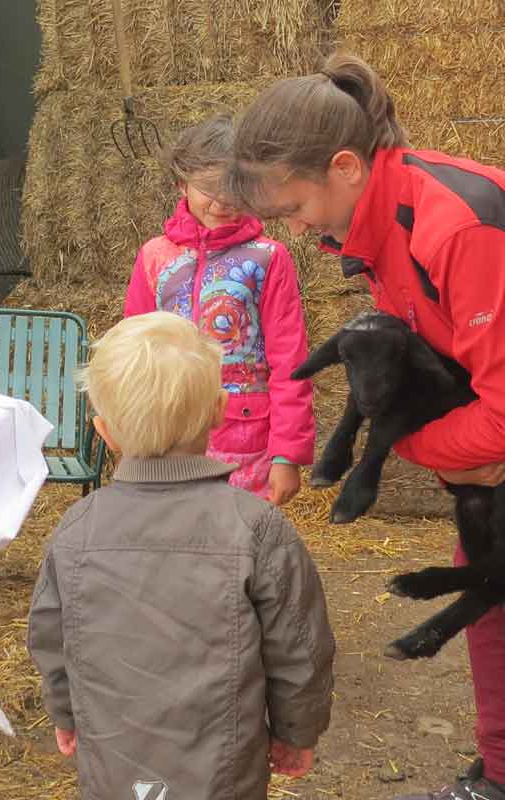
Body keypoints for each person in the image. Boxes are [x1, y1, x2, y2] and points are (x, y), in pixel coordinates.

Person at [227, 51, 505, 800]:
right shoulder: (381, 224)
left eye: (292, 208)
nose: (295, 228)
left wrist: (415, 447)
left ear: (345, 167)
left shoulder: (458, 227)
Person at [27, 311, 335, 800]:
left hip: (112, 769)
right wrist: (298, 732)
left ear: (104, 432)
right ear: (219, 410)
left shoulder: (77, 530)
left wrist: (65, 712)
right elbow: (299, 647)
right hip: (225, 774)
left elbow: (51, 637)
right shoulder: (256, 527)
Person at [123, 114, 314, 506]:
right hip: (167, 434)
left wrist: (287, 454)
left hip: (248, 445)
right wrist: (131, 433)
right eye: (209, 187)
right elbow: (131, 352)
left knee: (242, 542)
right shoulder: (154, 258)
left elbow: (289, 359)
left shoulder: (267, 259)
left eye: (234, 187)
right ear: (182, 183)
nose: (223, 201)